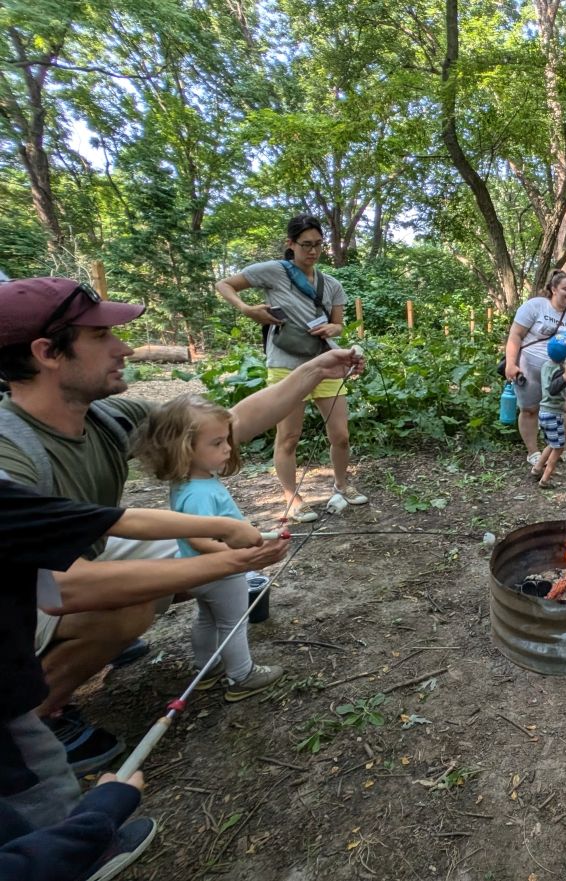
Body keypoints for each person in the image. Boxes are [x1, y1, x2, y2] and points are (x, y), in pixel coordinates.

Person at [0, 275, 362, 774]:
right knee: (131, 608)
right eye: (101, 337)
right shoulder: (11, 454)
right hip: (25, 595)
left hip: (71, 563)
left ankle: (93, 649)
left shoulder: (103, 416)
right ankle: (36, 718)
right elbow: (60, 586)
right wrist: (229, 560)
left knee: (189, 564)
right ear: (47, 352)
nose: (123, 347)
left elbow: (224, 426)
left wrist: (316, 368)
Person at [0, 475, 264, 876]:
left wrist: (225, 531)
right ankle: (90, 852)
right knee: (39, 781)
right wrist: (100, 815)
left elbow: (112, 520)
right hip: (9, 703)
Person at [132, 396, 284, 701]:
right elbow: (198, 539)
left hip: (200, 574)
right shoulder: (199, 493)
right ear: (185, 449)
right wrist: (238, 557)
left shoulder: (191, 482)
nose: (228, 448)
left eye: (226, 439)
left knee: (207, 618)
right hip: (219, 572)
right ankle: (241, 675)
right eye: (216, 443)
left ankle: (207, 667)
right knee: (233, 622)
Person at [215, 214, 365, 522]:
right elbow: (224, 284)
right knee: (288, 437)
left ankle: (342, 483)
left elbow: (338, 324)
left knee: (341, 434)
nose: (312, 251)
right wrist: (246, 309)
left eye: (318, 245)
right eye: (306, 245)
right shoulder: (273, 272)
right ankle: (292, 498)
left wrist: (333, 331)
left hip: (325, 363)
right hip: (285, 365)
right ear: (290, 244)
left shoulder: (331, 284)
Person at [504, 271, 566, 468]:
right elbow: (515, 335)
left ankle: (562, 447)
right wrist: (510, 364)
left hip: (559, 373)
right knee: (530, 409)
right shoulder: (535, 306)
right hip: (529, 367)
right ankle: (533, 452)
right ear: (553, 289)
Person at [532, 332, 566, 489]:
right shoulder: (559, 371)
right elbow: (553, 389)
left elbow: (552, 386)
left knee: (552, 443)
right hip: (552, 413)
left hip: (544, 412)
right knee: (559, 447)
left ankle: (537, 468)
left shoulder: (547, 366)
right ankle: (545, 479)